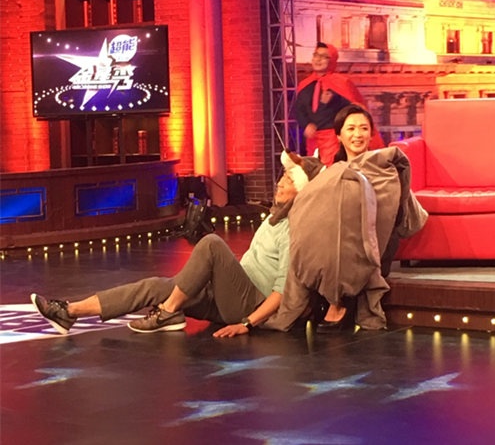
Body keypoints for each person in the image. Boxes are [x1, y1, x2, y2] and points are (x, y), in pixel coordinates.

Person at [30, 152, 324, 337]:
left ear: (303, 190)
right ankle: (69, 312)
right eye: (282, 177)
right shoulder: (273, 217)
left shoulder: (294, 229)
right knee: (155, 286)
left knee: (212, 243)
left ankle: (169, 310)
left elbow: (281, 291)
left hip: (250, 304)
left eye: (289, 180)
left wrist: (247, 323)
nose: (280, 183)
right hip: (228, 296)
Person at [264, 104, 428, 333]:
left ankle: (338, 304)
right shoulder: (332, 172)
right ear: (339, 136)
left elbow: (388, 210)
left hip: (372, 244)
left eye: (364, 128)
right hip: (335, 244)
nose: (357, 134)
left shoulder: (383, 168)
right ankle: (317, 295)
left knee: (345, 237)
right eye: (351, 128)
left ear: (371, 134)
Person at [296, 42, 383, 165]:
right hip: (313, 141)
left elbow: (356, 109)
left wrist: (326, 105)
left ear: (331, 61)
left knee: (332, 171)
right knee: (314, 171)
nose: (318, 59)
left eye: (324, 57)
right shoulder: (305, 84)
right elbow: (298, 110)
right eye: (316, 55)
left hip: (333, 140)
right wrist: (306, 125)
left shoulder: (341, 83)